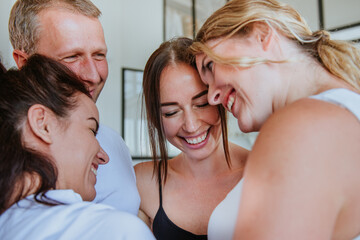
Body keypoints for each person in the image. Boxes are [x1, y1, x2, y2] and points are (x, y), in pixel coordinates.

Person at [191, 0, 360, 239]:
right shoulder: (344, 111)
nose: (213, 97)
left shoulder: (301, 126)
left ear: (262, 34)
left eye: (210, 65)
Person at [0, 54, 155, 239]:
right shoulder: (113, 231)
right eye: (91, 129)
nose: (105, 157)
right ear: (43, 124)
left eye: (99, 55)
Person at [8, 0, 139, 214]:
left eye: (99, 55)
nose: (93, 76)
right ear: (24, 62)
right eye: (71, 57)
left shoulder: (115, 145)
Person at [135, 37, 248, 239]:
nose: (191, 125)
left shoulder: (259, 171)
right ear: (155, 118)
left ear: (220, 96)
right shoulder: (143, 183)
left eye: (202, 104)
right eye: (171, 112)